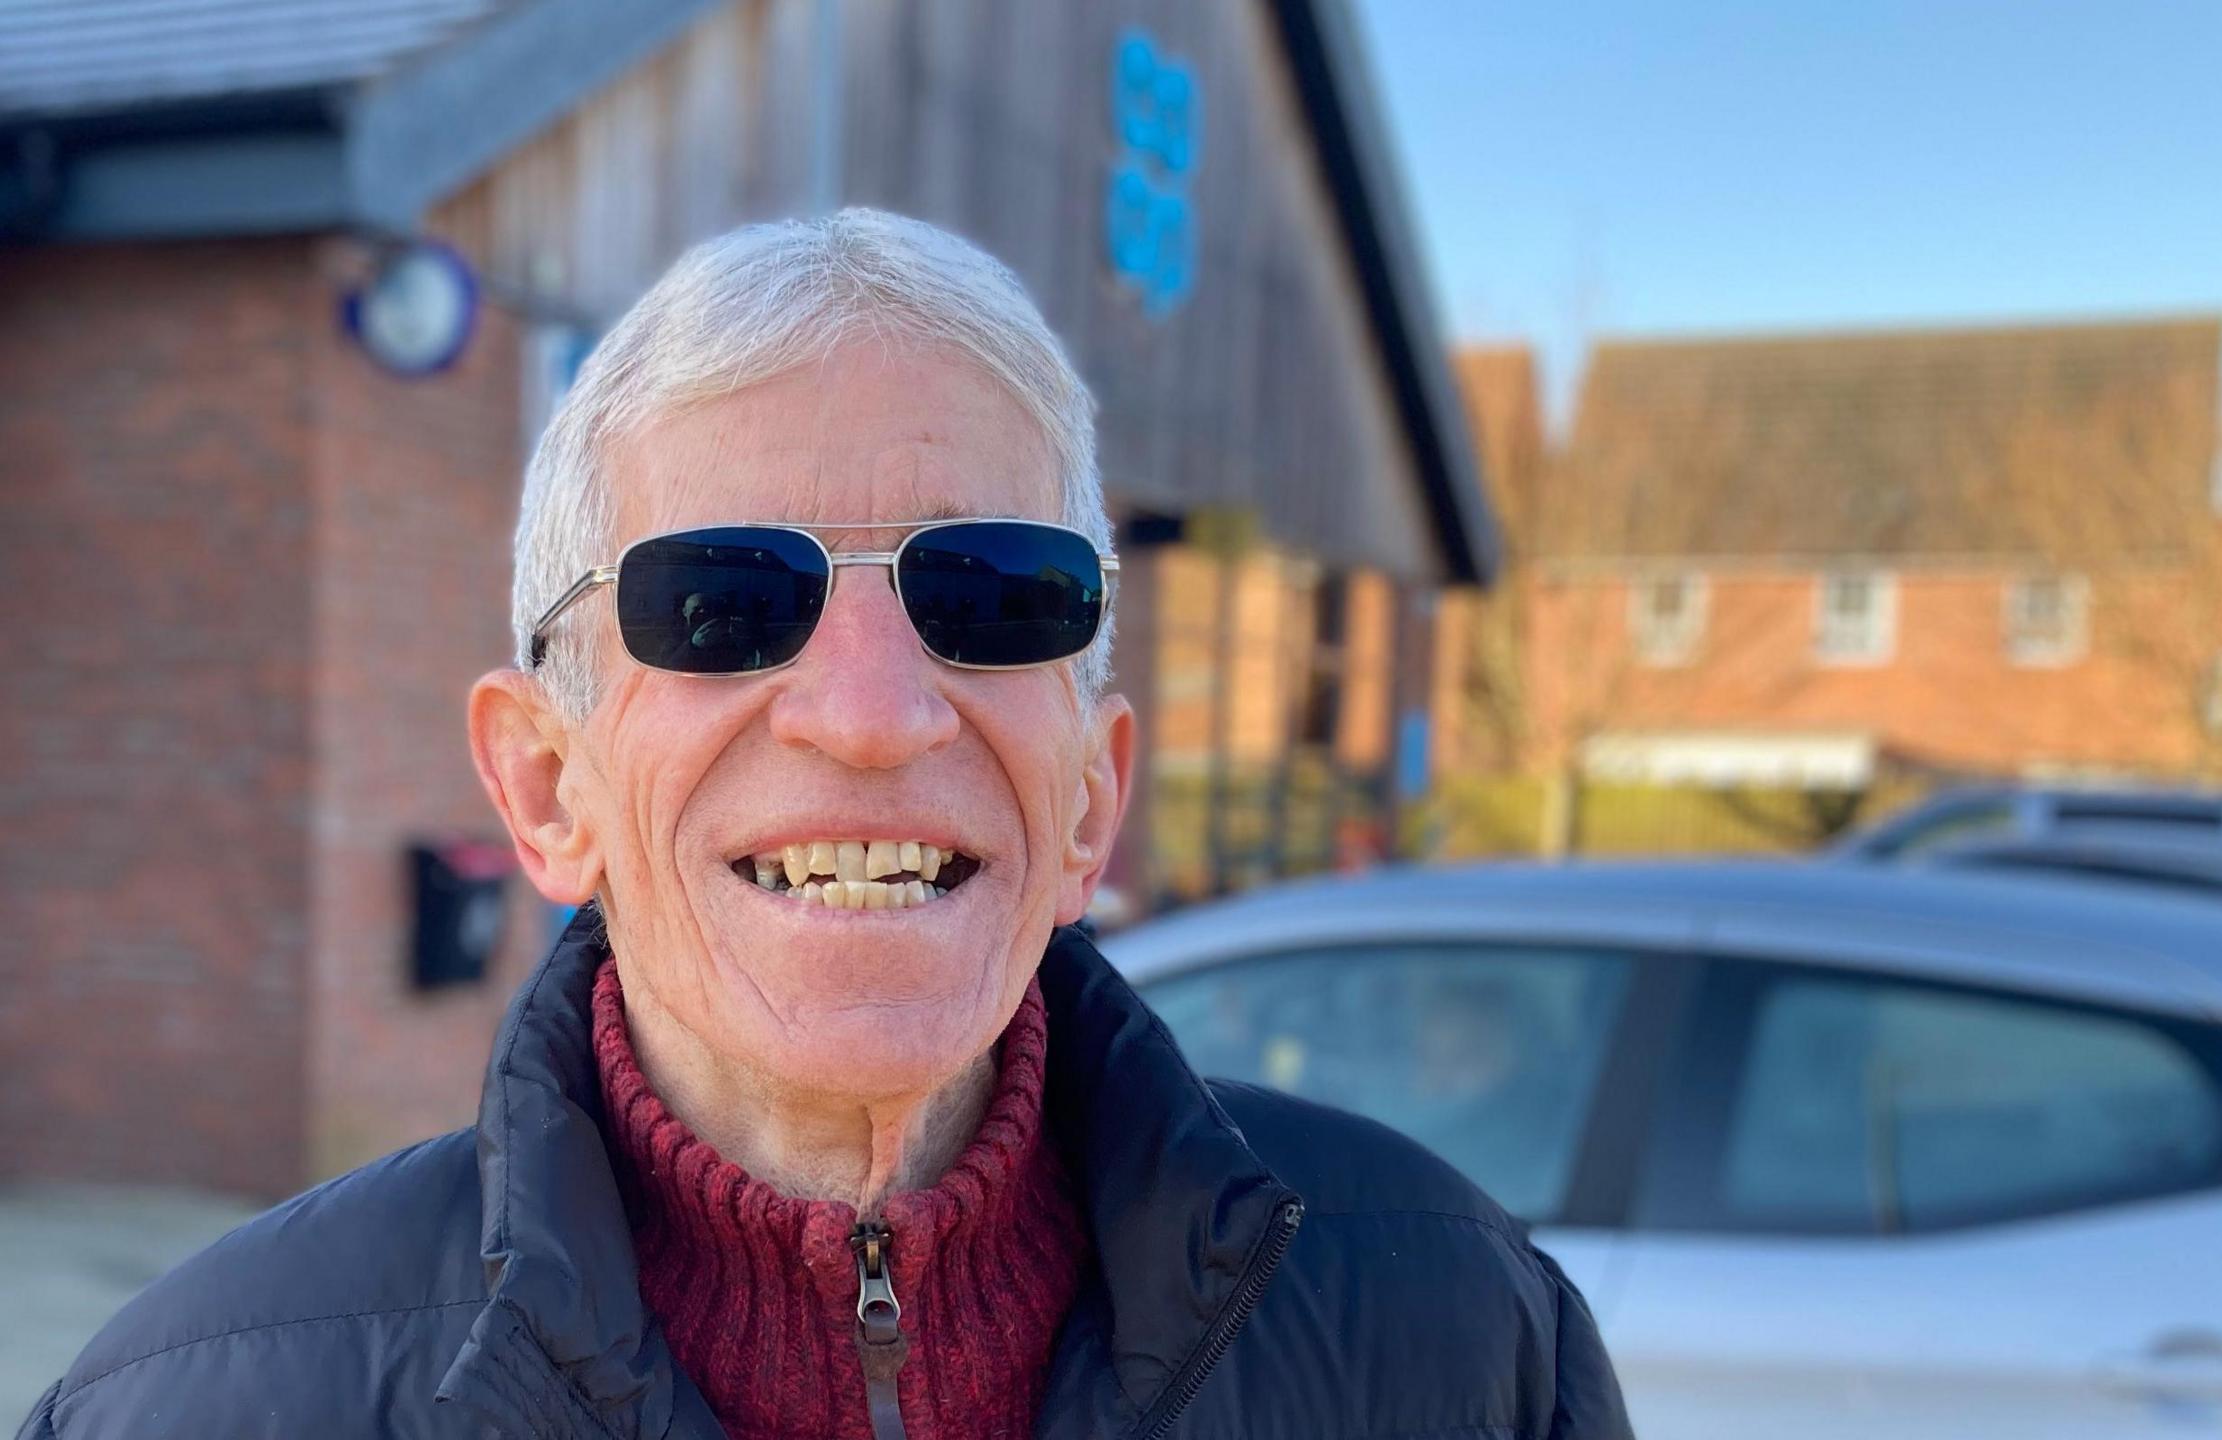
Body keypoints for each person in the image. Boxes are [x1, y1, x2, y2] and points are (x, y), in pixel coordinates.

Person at [17, 210, 1629, 1440]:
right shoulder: (192, 1407)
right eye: (725, 601)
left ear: (1092, 797)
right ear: (544, 787)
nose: (871, 712)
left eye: (993, 597)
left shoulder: (1466, 1339)